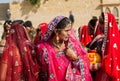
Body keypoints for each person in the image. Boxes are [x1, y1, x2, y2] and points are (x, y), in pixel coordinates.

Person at [36, 16, 92, 81]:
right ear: (56, 32)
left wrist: (75, 58)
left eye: (70, 30)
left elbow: (86, 65)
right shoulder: (43, 49)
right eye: (66, 31)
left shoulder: (73, 45)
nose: (69, 33)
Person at [88, 12, 120, 81]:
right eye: (99, 23)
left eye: (102, 23)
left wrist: (96, 66)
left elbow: (111, 63)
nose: (99, 26)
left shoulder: (114, 42)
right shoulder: (102, 40)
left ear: (108, 24)